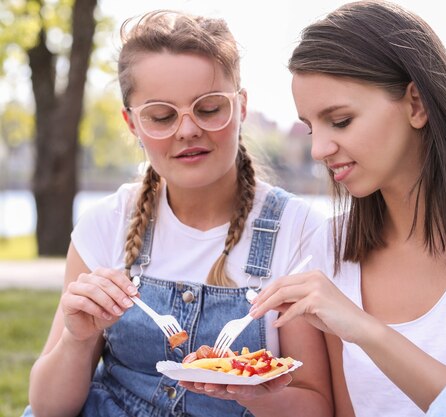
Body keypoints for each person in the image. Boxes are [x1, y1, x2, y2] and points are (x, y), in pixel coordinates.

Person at [250, 1, 446, 417]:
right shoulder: (332, 247)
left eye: (340, 121)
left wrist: (364, 330)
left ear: (416, 104)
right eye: (312, 127)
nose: (318, 149)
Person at [24, 10, 332, 417]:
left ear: (241, 106)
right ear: (132, 123)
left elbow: (316, 406)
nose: (187, 130)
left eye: (208, 108)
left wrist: (249, 388)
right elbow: (46, 409)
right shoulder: (106, 223)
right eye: (162, 116)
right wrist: (77, 339)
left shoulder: (298, 231)